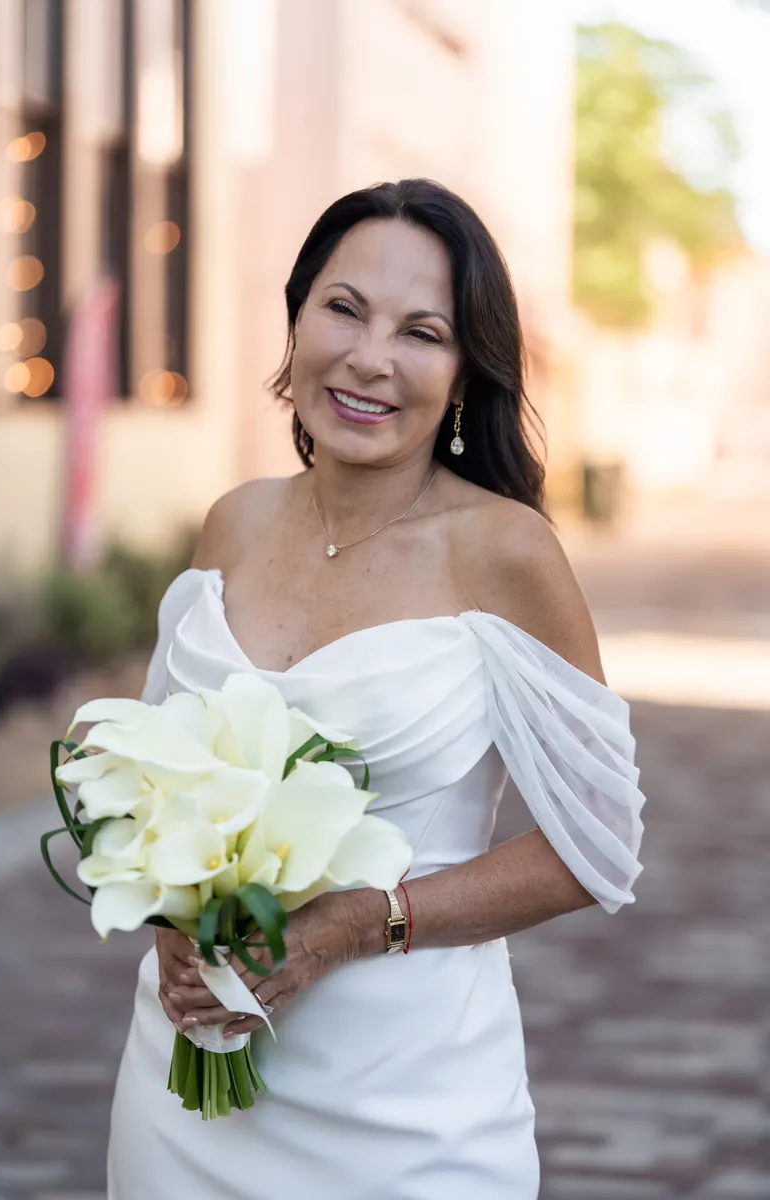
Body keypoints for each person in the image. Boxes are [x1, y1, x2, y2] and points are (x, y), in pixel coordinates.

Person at [108, 178, 645, 1199]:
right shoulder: (232, 523)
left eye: (421, 331)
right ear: (296, 317)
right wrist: (171, 922)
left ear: (461, 372)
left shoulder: (504, 552)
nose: (369, 358)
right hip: (185, 1088)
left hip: (409, 1107)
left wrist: (358, 923)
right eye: (343, 308)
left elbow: (599, 846)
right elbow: (148, 782)